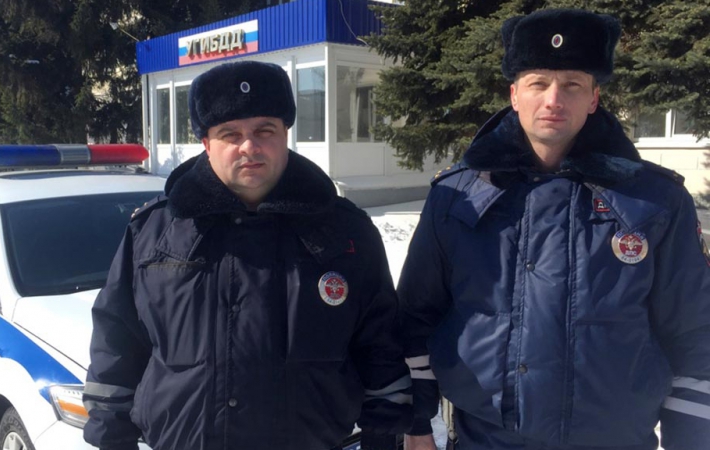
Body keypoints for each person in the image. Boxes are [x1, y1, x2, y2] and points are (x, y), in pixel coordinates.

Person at [398, 8, 710, 450]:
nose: (553, 99)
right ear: (514, 94)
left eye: (572, 85)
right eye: (538, 83)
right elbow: (415, 317)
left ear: (594, 98)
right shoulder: (455, 198)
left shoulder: (656, 201)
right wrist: (416, 424)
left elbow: (694, 334)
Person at [82, 60, 412, 450]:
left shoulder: (347, 233)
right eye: (230, 134)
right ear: (206, 143)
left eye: (264, 131)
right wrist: (112, 438)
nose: (249, 147)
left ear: (285, 134)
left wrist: (383, 436)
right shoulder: (152, 234)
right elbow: (117, 342)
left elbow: (380, 346)